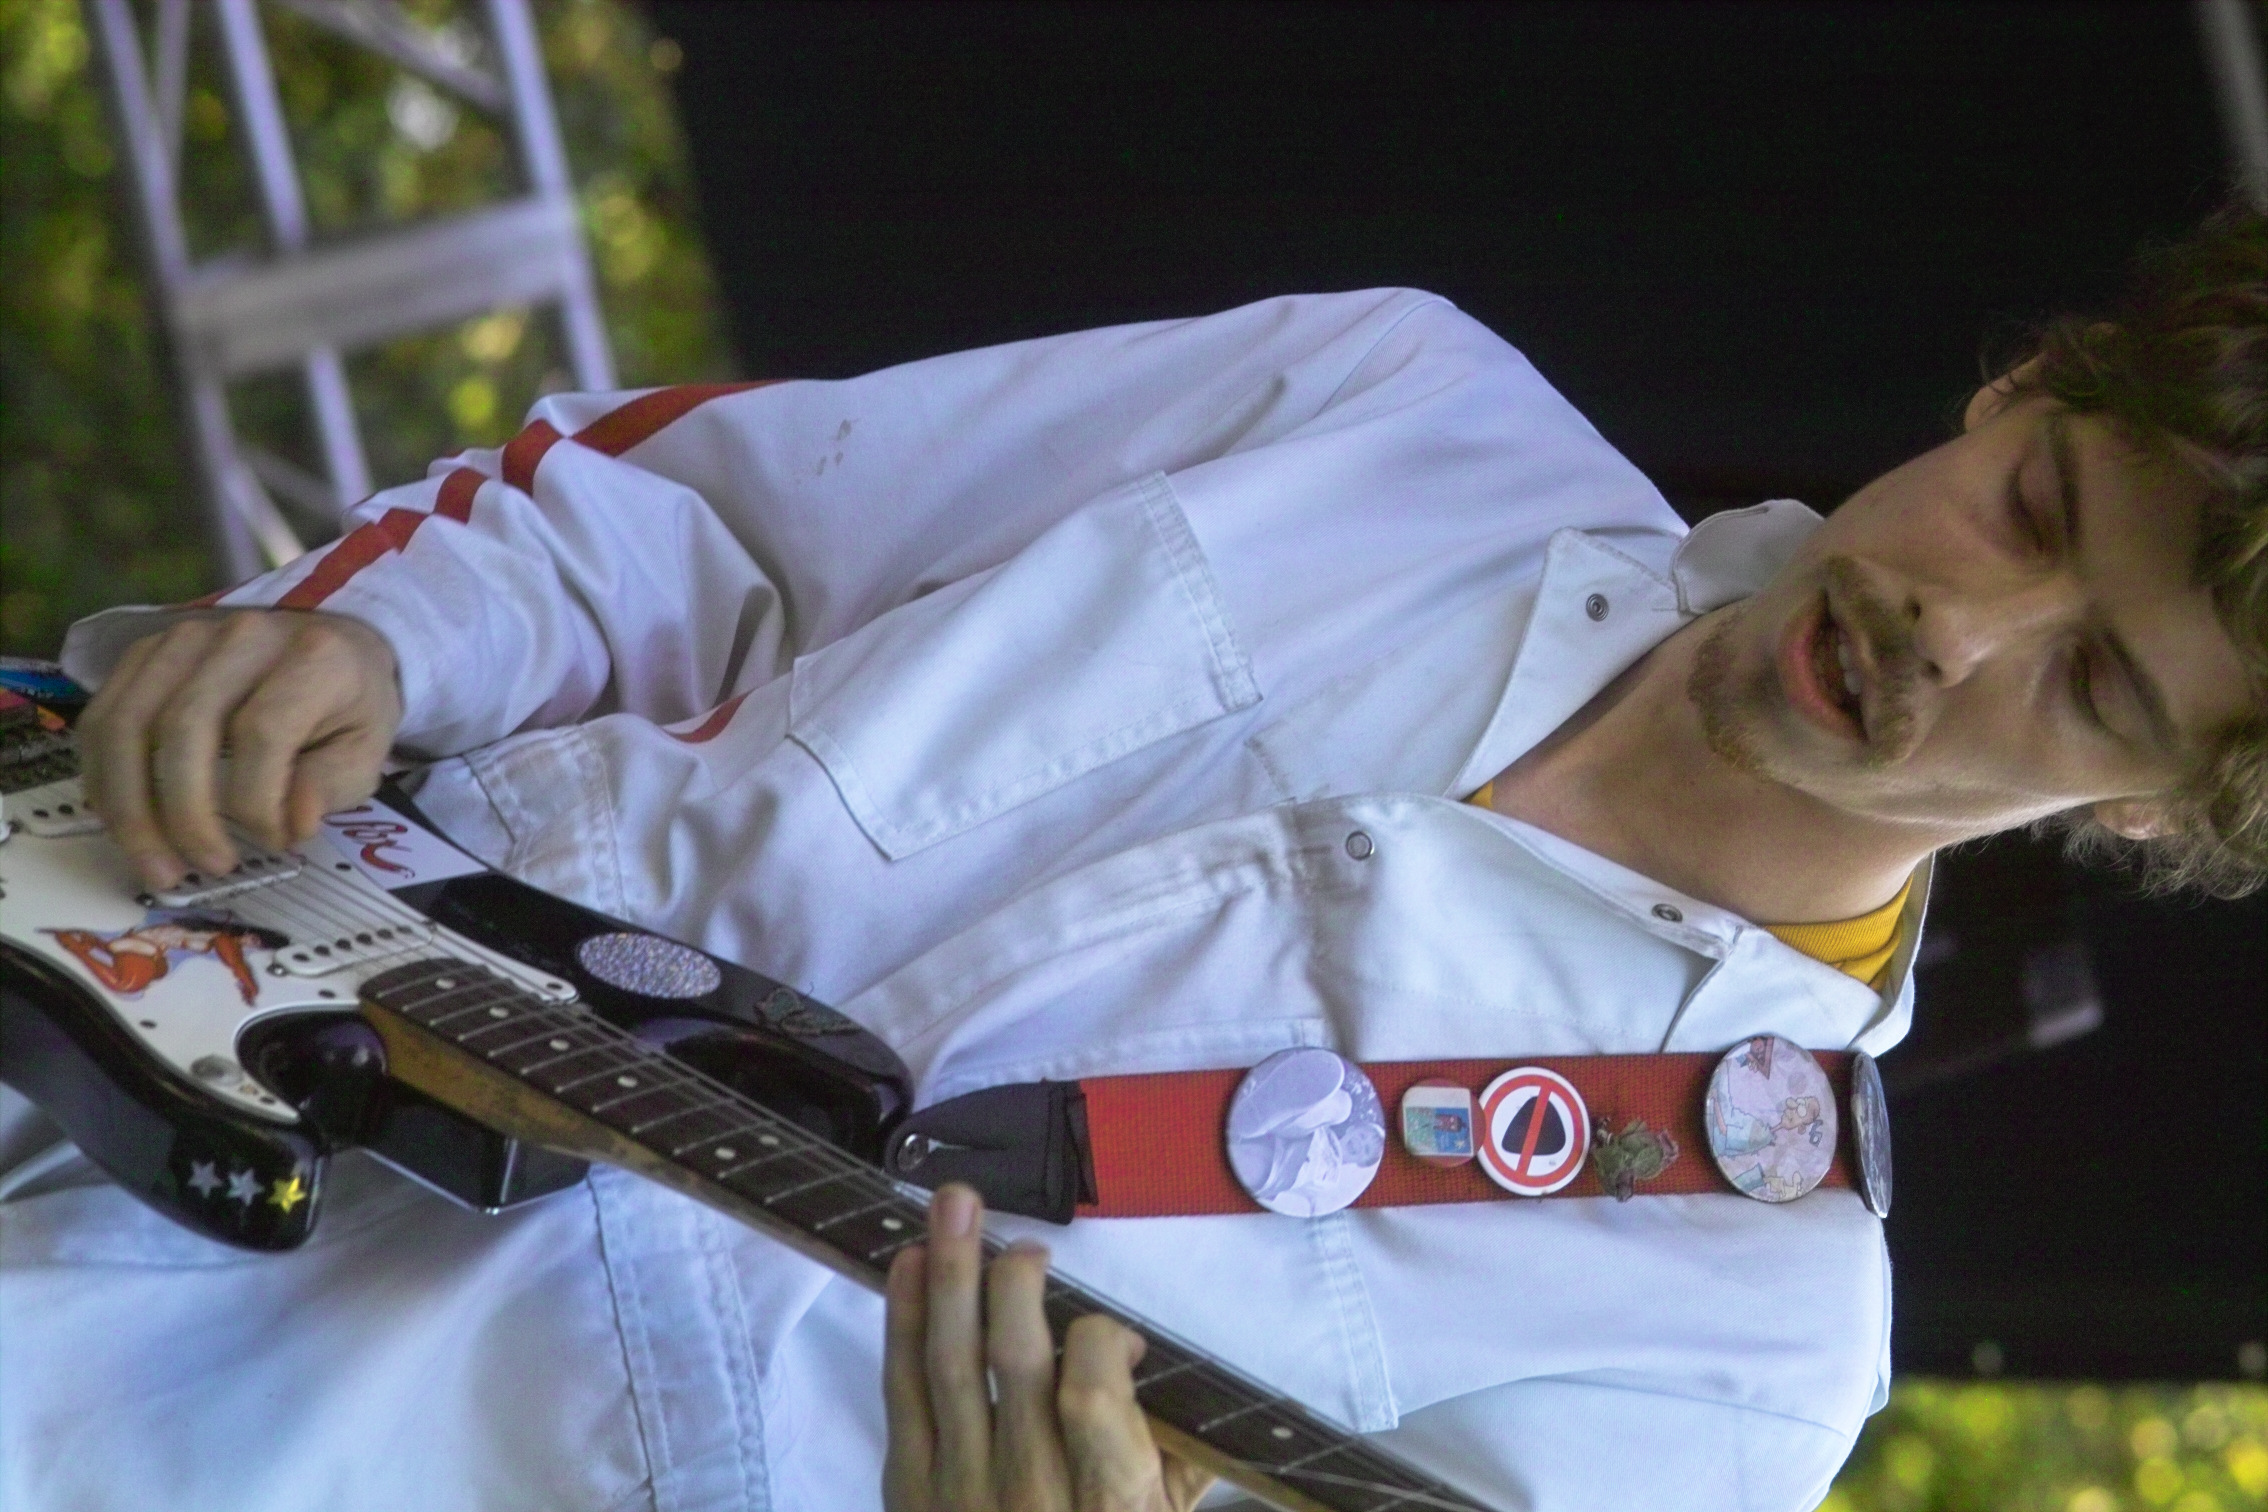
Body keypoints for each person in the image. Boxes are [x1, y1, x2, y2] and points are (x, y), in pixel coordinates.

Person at [3, 203, 2260, 1512]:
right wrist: (379, 635)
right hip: (84, 1018)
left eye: (2095, 686)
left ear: (2161, 810)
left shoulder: (1739, 1356)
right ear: (2022, 385)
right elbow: (692, 514)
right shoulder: (1409, 401)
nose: (1962, 632)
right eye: (2037, 509)